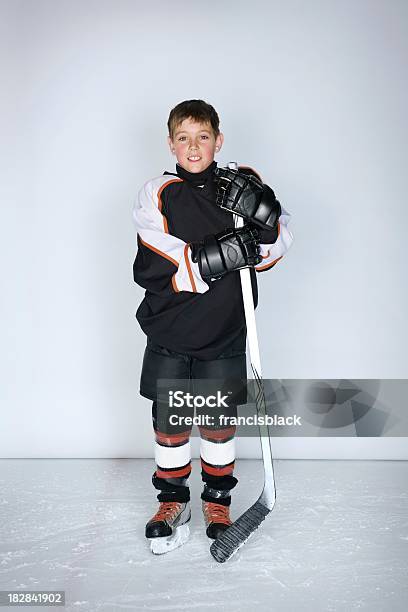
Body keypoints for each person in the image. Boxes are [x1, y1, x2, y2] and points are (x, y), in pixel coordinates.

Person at [132, 99, 293, 554]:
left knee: (218, 423)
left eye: (203, 136)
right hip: (169, 330)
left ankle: (217, 501)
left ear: (218, 140)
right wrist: (218, 256)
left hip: (224, 329)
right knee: (171, 421)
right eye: (183, 138)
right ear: (171, 144)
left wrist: (265, 222)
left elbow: (277, 245)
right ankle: (172, 501)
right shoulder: (158, 192)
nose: (193, 146)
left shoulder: (244, 182)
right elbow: (154, 259)